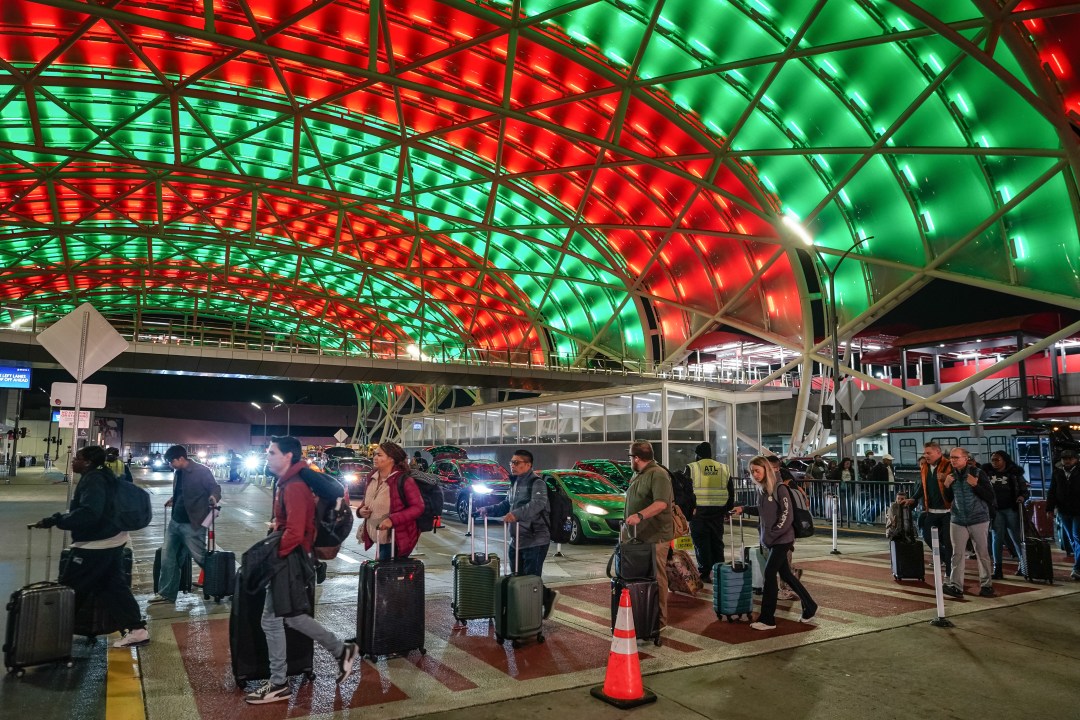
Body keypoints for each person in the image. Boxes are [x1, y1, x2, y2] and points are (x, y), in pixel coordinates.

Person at [246, 436, 358, 704]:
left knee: (278, 619)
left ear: (287, 456)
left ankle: (279, 682)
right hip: (292, 557)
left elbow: (296, 531)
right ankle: (339, 651)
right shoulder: (288, 482)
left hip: (290, 559)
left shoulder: (294, 486)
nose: (267, 456)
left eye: (272, 452)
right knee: (288, 617)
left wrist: (275, 553)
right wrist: (277, 525)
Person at [35, 445, 149, 648]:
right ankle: (137, 629)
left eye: (77, 458)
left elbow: (90, 513)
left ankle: (52, 639)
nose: (73, 461)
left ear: (87, 462)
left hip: (96, 544)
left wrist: (58, 520)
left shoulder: (93, 480)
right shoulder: (103, 475)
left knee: (71, 588)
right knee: (112, 586)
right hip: (113, 538)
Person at [733, 456, 817, 630]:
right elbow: (763, 511)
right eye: (752, 471)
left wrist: (773, 533)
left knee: (770, 574)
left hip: (782, 539)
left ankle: (767, 619)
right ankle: (810, 605)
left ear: (767, 469)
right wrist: (744, 509)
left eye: (757, 470)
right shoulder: (762, 490)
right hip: (772, 540)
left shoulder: (780, 488)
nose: (754, 475)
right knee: (786, 575)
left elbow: (787, 515)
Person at [479, 449, 558, 617]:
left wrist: (516, 514)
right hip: (517, 539)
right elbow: (507, 504)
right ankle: (541, 600)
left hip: (536, 539)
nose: (512, 466)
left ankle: (531, 616)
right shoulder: (515, 483)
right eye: (511, 463)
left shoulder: (537, 483)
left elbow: (538, 504)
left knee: (530, 580)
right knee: (519, 578)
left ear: (528, 465)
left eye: (516, 463)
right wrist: (489, 510)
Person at [149, 445, 221, 605]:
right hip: (175, 522)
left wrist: (214, 497)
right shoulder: (178, 472)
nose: (170, 464)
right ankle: (166, 594)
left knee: (200, 557)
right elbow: (183, 492)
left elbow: (215, 488)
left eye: (171, 461)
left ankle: (223, 582)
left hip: (193, 523)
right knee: (168, 557)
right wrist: (174, 499)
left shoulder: (202, 471)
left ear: (181, 459)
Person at [623, 441, 675, 629]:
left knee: (657, 577)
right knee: (643, 577)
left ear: (636, 458)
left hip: (655, 537)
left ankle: (659, 621)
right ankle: (643, 615)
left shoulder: (658, 474)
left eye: (630, 456)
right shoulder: (638, 475)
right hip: (640, 536)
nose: (629, 460)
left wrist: (639, 515)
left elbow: (661, 504)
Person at [941, 447, 996, 598]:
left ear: (966, 459)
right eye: (951, 457)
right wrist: (946, 486)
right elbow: (948, 499)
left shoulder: (978, 473)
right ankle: (956, 586)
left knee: (982, 553)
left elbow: (990, 496)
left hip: (978, 519)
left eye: (956, 457)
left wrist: (975, 485)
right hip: (958, 519)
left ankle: (987, 586)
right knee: (957, 554)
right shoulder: (951, 476)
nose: (953, 460)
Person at [357, 442, 423, 560]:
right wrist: (360, 511)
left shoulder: (404, 480)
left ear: (391, 459)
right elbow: (367, 501)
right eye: (375, 454)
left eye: (379, 455)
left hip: (396, 538)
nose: (375, 457)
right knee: (379, 574)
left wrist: (392, 520)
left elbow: (418, 507)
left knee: (386, 575)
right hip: (379, 538)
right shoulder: (372, 477)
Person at [683, 441, 734, 584]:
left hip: (698, 512)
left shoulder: (692, 468)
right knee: (717, 542)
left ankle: (705, 573)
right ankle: (720, 570)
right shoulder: (723, 468)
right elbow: (730, 491)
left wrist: (688, 511)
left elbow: (686, 492)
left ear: (697, 454)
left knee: (701, 543)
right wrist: (727, 509)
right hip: (718, 511)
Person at [905, 442, 954, 575]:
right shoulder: (925, 467)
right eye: (925, 453)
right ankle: (947, 560)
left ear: (938, 452)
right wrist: (914, 498)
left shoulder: (949, 465)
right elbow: (922, 487)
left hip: (948, 512)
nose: (925, 456)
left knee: (948, 543)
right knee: (927, 537)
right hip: (931, 511)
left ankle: (950, 573)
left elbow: (958, 484)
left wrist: (948, 479)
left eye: (928, 453)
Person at [983, 450, 1028, 579]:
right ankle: (998, 568)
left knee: (1016, 537)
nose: (994, 462)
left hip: (1011, 509)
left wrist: (1022, 497)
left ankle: (1024, 565)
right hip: (995, 510)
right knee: (997, 538)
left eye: (997, 460)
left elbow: (1024, 490)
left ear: (1005, 460)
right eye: (993, 460)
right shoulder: (986, 472)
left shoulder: (1014, 473)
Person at [1046, 448, 1080, 581]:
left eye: (1070, 458)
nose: (1067, 461)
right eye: (1065, 459)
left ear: (1076, 459)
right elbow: (1052, 490)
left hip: (1078, 510)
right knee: (1071, 538)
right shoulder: (1057, 473)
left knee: (1077, 537)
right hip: (1064, 510)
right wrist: (1049, 508)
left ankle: (1077, 568)